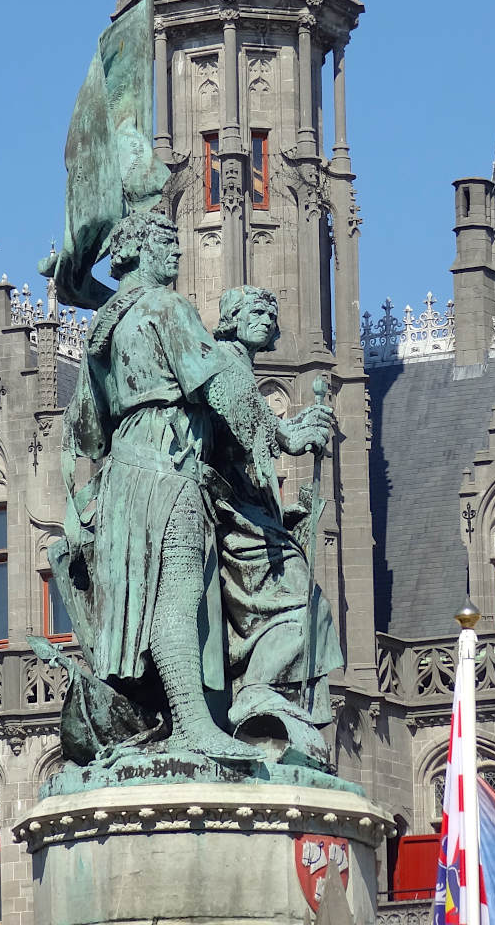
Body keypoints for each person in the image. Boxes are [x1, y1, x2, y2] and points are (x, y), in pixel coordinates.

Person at [52, 212, 332, 766]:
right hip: (168, 466)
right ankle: (193, 727)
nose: (176, 256)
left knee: (155, 602)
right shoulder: (165, 307)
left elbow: (87, 427)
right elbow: (226, 385)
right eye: (165, 244)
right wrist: (282, 438)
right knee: (177, 602)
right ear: (138, 251)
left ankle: (175, 720)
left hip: (126, 479)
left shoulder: (105, 327)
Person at [209, 285, 343, 765]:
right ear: (231, 319)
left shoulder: (238, 366)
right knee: (302, 604)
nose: (265, 318)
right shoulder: (225, 360)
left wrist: (288, 514)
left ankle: (260, 689)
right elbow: (249, 426)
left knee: (307, 605)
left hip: (252, 515)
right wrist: (293, 432)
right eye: (254, 310)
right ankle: (256, 692)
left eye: (271, 311)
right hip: (232, 517)